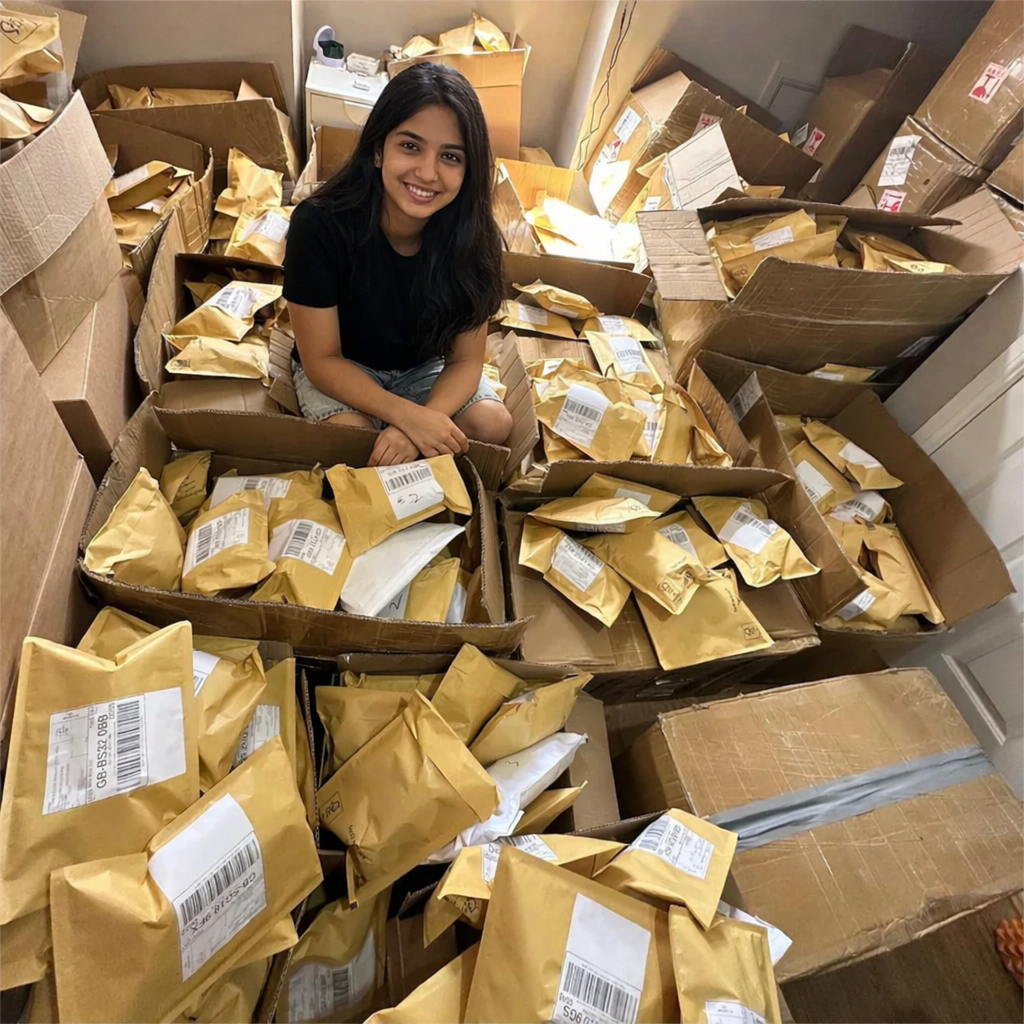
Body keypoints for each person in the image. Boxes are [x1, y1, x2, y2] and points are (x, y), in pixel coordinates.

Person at [283, 62, 512, 467]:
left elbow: (465, 360)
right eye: (410, 146)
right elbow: (322, 360)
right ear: (377, 149)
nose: (427, 172)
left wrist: (425, 421)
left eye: (451, 157)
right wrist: (410, 420)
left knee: (493, 423)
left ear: (468, 170)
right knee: (353, 443)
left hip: (423, 370)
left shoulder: (475, 237)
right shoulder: (318, 224)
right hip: (344, 370)